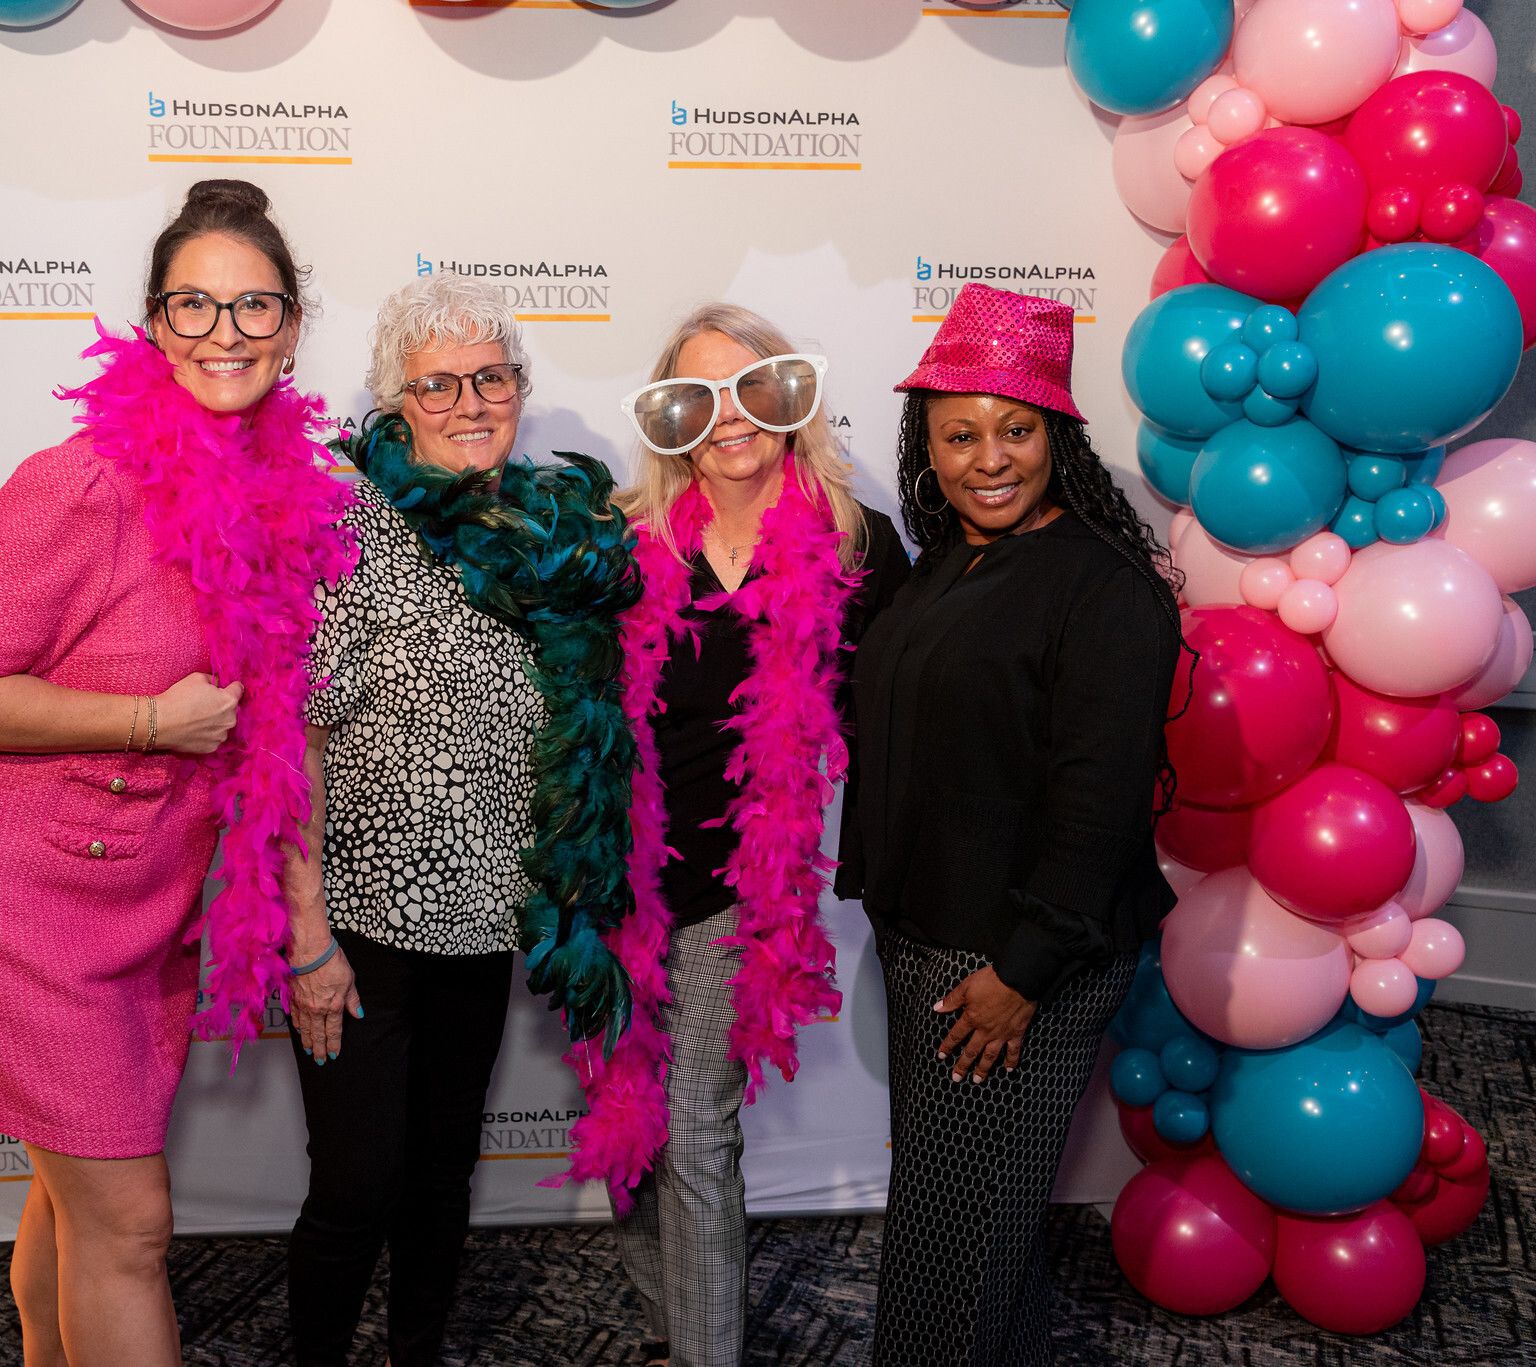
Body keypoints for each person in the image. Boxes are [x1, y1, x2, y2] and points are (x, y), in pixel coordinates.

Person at [0, 179, 352, 1367]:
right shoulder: (83, 482)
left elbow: (277, 734)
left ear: (291, 326)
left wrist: (304, 918)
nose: (223, 332)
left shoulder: (278, 496)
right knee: (131, 1219)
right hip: (20, 894)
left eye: (253, 306)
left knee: (74, 1198)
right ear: (154, 323)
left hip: (142, 895)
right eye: (193, 304)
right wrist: (149, 718)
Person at [280, 272, 641, 1367]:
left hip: (486, 919)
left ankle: (417, 1352)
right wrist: (306, 936)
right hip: (360, 927)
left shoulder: (547, 531)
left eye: (491, 377)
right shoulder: (347, 522)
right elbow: (292, 743)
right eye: (438, 383)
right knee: (356, 1184)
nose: (470, 403)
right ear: (396, 402)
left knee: (441, 1173)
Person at [557, 303, 913, 1367]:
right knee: (629, 1117)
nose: (730, 416)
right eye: (699, 396)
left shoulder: (854, 544)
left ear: (789, 396)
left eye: (752, 387)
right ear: (668, 417)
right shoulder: (625, 541)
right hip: (615, 875)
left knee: (695, 1126)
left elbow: (903, 716)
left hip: (741, 889)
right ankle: (670, 1328)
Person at [838, 282, 1183, 1366]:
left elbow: (1100, 800)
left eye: (1016, 430)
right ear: (928, 448)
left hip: (1015, 960)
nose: (989, 458)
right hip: (933, 938)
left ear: (1056, 438)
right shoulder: (951, 560)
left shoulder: (1104, 587)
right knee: (974, 1223)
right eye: (960, 434)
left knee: (952, 1244)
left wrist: (1022, 971)